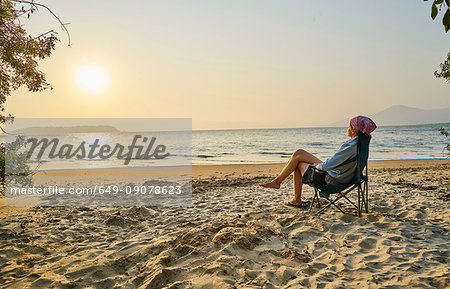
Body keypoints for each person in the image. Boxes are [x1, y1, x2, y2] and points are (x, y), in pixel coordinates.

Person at [260, 116, 377, 208]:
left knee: (297, 163)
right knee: (299, 153)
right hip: (346, 176)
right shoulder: (361, 143)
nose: (349, 128)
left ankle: (294, 198)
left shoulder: (351, 145)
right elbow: (336, 163)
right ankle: (278, 182)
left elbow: (329, 164)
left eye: (351, 126)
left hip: (333, 179)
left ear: (355, 128)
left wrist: (318, 166)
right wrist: (321, 165)